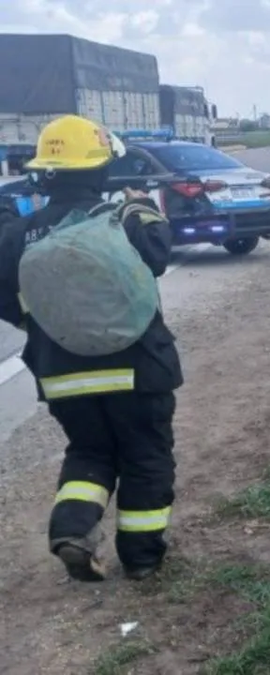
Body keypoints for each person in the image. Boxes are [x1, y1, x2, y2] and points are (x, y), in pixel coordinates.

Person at [0, 114, 181, 582]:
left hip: (62, 372)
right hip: (136, 367)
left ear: (46, 173)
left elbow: (7, 297)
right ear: (101, 172)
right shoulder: (121, 219)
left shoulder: (19, 235)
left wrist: (47, 324)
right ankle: (142, 559)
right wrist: (143, 207)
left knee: (89, 453)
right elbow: (158, 256)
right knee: (144, 455)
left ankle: (73, 530)